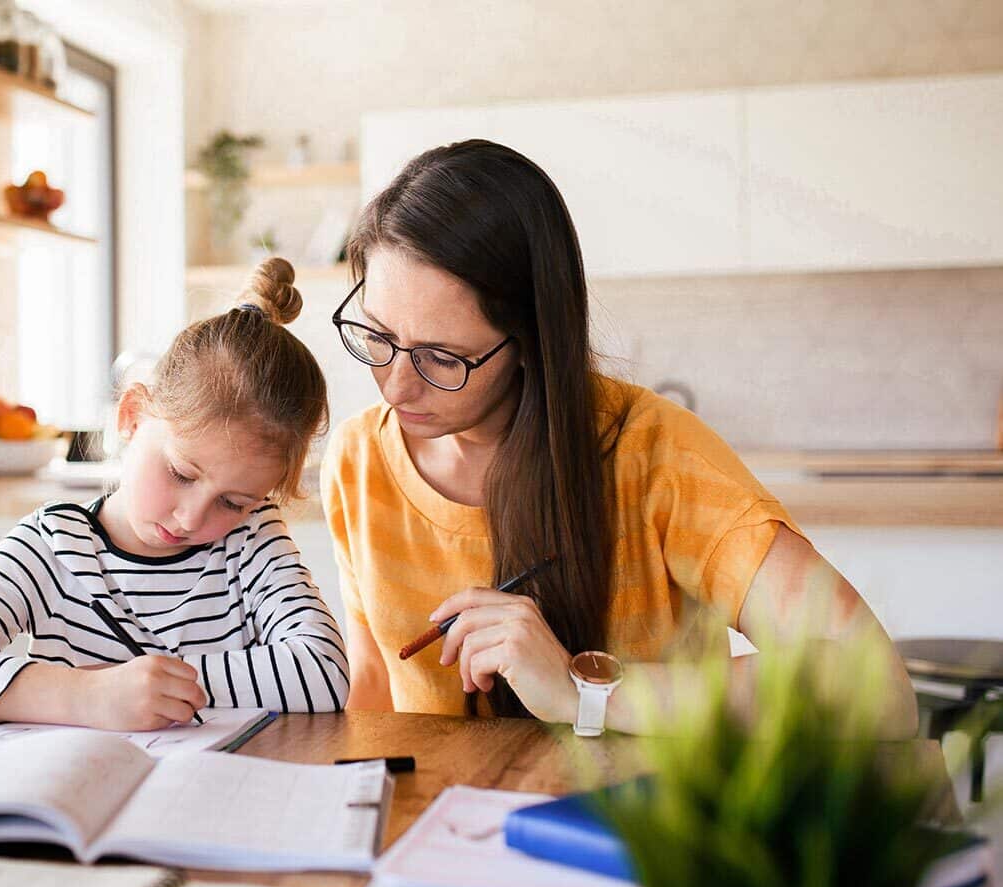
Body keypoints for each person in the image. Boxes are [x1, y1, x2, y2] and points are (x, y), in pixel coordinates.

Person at [320, 140, 916, 737]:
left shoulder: (655, 455)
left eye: (442, 358)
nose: (395, 388)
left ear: (529, 340)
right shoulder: (356, 459)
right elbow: (374, 696)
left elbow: (877, 688)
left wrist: (583, 690)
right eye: (376, 335)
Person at [0, 258, 348, 730]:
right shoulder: (52, 545)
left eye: (233, 502)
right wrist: (86, 695)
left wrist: (148, 686)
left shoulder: (252, 539)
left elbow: (325, 670)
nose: (192, 519)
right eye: (181, 473)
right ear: (132, 416)